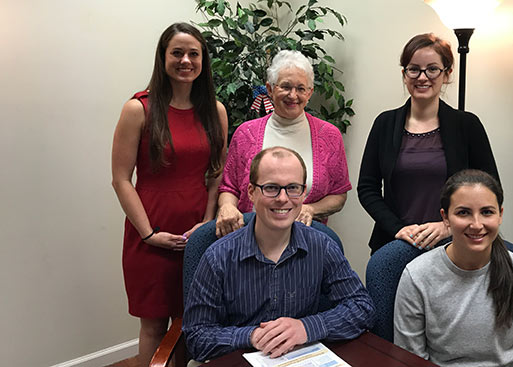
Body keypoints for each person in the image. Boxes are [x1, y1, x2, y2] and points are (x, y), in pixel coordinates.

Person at [183, 147, 374, 361]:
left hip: (299, 357)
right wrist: (251, 335)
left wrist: (306, 327)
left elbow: (362, 307)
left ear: (303, 193)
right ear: (251, 192)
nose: (283, 199)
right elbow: (196, 337)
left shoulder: (322, 246)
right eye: (271, 188)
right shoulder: (218, 257)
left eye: (293, 188)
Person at [111, 22, 227, 365]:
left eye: (194, 53)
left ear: (203, 60)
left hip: (197, 228)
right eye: (177, 52)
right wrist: (148, 234)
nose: (186, 60)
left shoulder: (215, 111)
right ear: (163, 57)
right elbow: (120, 179)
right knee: (154, 324)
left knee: (194, 318)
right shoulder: (138, 109)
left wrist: (207, 222)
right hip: (150, 230)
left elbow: (216, 172)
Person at [393, 169, 513, 366]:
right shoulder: (417, 276)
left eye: (487, 212)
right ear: (445, 218)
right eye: (463, 213)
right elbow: (411, 361)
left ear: (500, 215)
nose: (477, 225)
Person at [357, 33, 499, 254]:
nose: (422, 77)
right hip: (396, 244)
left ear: (447, 73)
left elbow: (491, 189)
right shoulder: (384, 123)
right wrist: (398, 229)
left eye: (432, 69)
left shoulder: (467, 125)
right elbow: (367, 188)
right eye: (414, 69)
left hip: (454, 246)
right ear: (404, 74)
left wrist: (447, 226)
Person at [216, 50, 351, 237]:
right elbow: (228, 188)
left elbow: (339, 195)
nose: (293, 95)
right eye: (285, 87)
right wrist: (227, 206)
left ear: (310, 92)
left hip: (307, 242)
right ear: (270, 89)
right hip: (248, 238)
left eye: (301, 88)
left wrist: (310, 209)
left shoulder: (329, 136)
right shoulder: (245, 133)